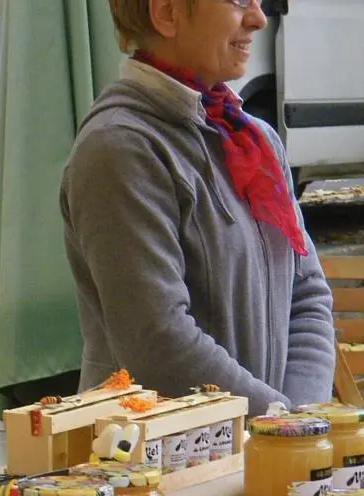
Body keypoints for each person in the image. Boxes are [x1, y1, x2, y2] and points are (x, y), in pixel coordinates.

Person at [60, 0, 335, 415]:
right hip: (156, 467)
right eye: (239, 1)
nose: (259, 19)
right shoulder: (120, 148)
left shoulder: (254, 140)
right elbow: (159, 341)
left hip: (265, 454)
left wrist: (297, 424)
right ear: (167, 12)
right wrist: (281, 424)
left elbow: (308, 294)